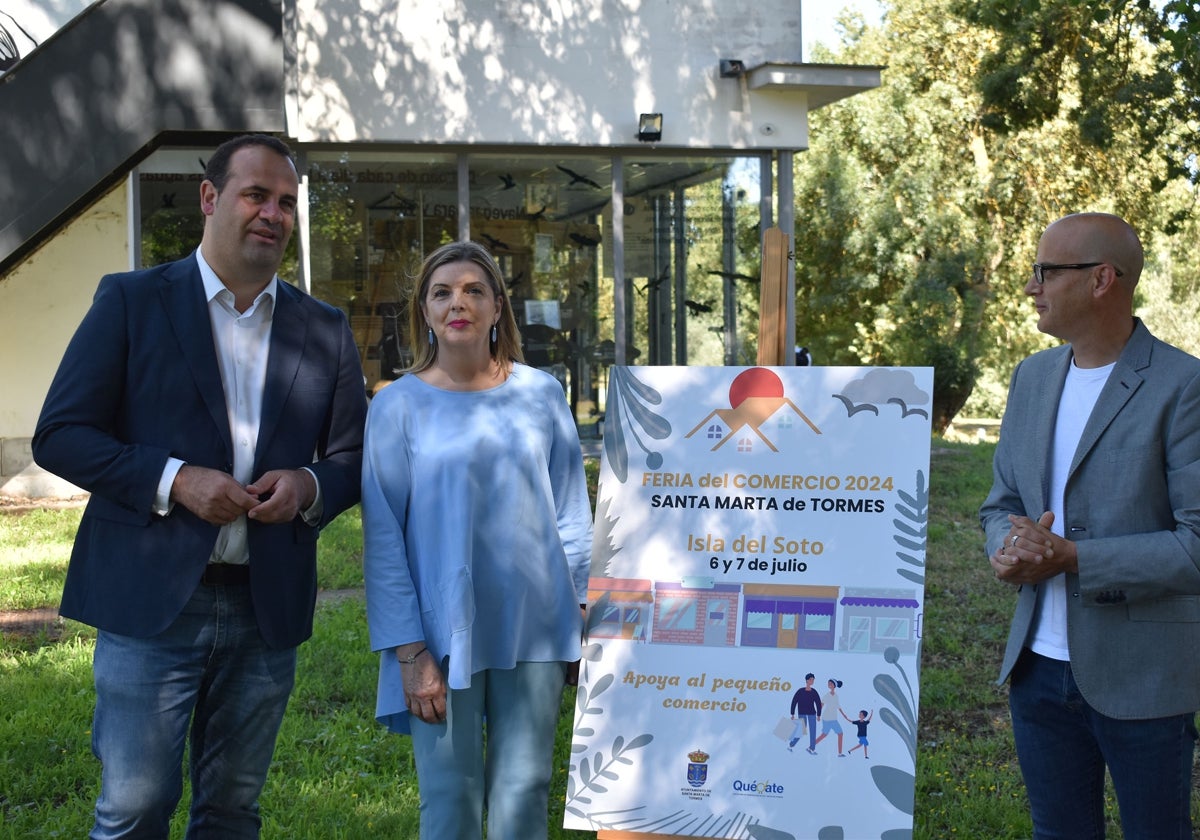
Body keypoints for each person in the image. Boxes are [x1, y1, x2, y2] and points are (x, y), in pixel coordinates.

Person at [32, 133, 367, 839]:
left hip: (264, 605)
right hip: (151, 603)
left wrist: (308, 487)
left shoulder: (325, 329)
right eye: (255, 194)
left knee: (231, 812)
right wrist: (174, 479)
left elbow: (351, 458)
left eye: (285, 201)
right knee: (133, 808)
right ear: (210, 198)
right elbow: (61, 433)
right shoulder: (131, 302)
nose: (272, 213)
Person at [361, 240, 592, 839]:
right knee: (449, 798)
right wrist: (409, 653)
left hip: (536, 625)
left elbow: (570, 510)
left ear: (497, 310)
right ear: (425, 311)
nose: (457, 302)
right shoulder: (396, 407)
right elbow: (384, 539)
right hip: (439, 635)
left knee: (524, 790)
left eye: (473, 291)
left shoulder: (542, 393)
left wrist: (582, 609)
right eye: (442, 292)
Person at [979, 212, 1200, 839]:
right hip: (1036, 671)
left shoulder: (1184, 385)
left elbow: (1198, 545)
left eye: (1046, 271)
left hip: (1144, 675)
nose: (1031, 286)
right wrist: (1007, 547)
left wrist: (1074, 557)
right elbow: (1000, 505)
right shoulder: (1030, 377)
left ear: (1102, 279)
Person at [787, 672, 822, 754]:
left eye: (813, 680)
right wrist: (792, 713)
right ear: (807, 680)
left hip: (812, 713)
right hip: (802, 713)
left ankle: (811, 748)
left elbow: (818, 703)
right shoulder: (800, 691)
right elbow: (794, 701)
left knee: (813, 731)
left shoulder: (814, 692)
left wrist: (819, 715)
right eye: (811, 679)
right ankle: (791, 745)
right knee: (802, 730)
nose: (812, 681)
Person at [813, 678, 846, 756]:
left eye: (830, 683)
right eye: (828, 683)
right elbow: (821, 705)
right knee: (824, 734)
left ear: (834, 686)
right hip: (827, 718)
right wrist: (818, 715)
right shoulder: (827, 695)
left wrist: (844, 715)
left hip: (834, 719)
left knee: (840, 734)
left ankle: (840, 753)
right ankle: (811, 747)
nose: (829, 685)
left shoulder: (836, 696)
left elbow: (838, 707)